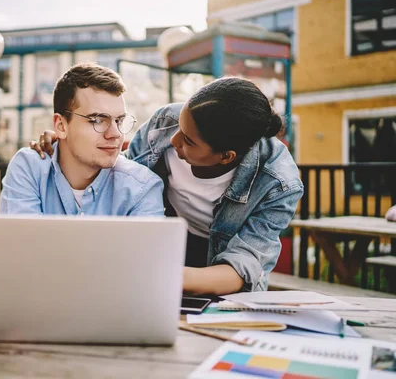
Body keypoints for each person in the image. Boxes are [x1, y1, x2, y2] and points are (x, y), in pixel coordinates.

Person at [32, 77, 304, 295]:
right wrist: (68, 145)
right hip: (159, 243)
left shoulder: (279, 184)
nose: (174, 141)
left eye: (188, 140)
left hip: (213, 272)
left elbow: (242, 267)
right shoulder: (165, 122)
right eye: (179, 126)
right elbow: (118, 175)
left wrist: (153, 274)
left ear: (226, 156)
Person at [0, 62, 164, 216]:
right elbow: (20, 246)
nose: (115, 134)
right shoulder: (30, 168)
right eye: (97, 120)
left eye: (119, 120)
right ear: (61, 126)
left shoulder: (142, 187)